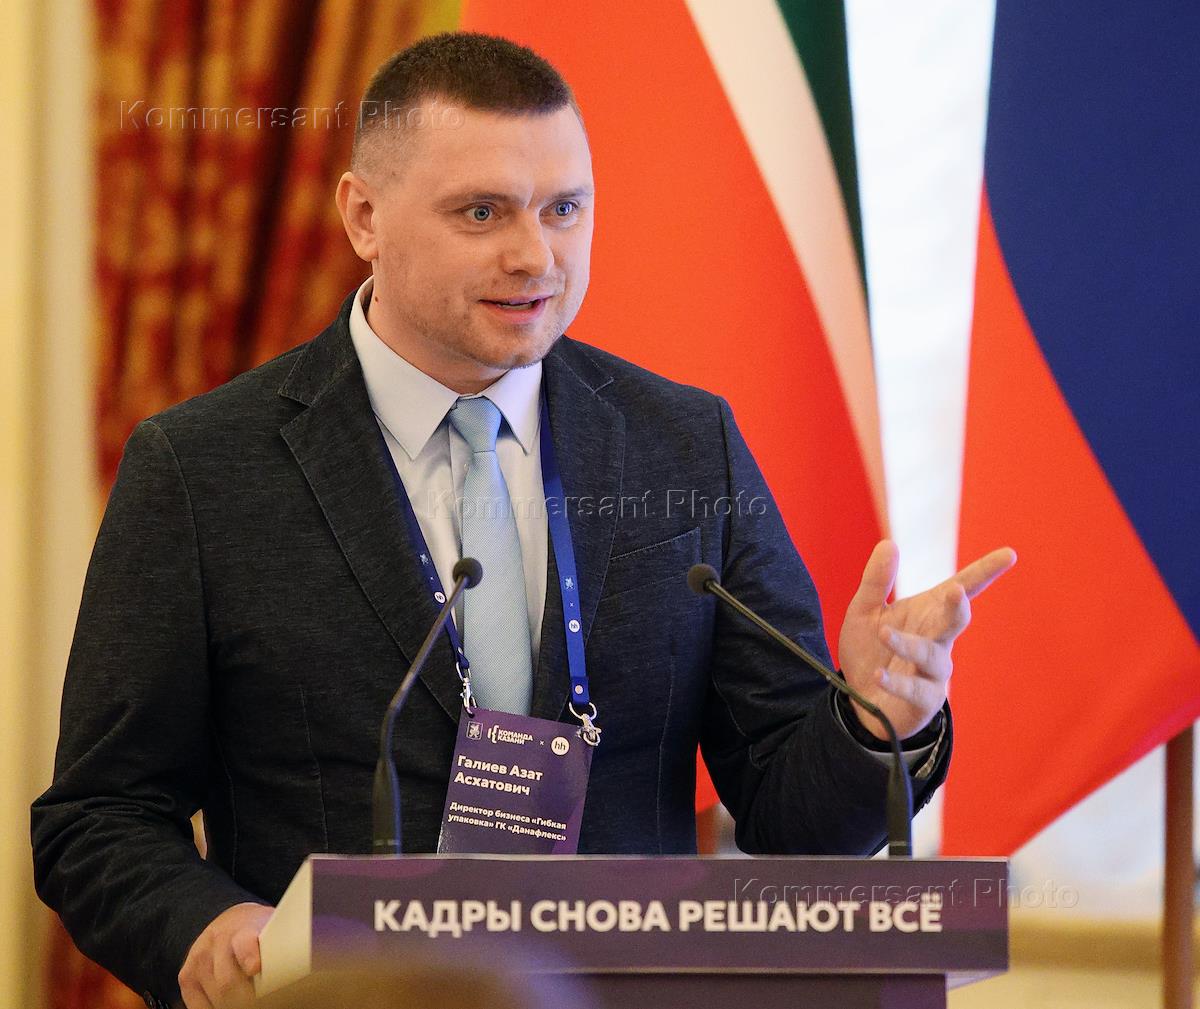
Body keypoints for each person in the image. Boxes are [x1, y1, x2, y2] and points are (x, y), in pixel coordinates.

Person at [31, 32, 1015, 1009]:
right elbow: (100, 814)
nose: (535, 255)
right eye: (482, 212)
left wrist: (875, 721)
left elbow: (791, 815)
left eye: (564, 209)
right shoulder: (203, 468)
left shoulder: (684, 444)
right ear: (364, 216)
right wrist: (206, 924)